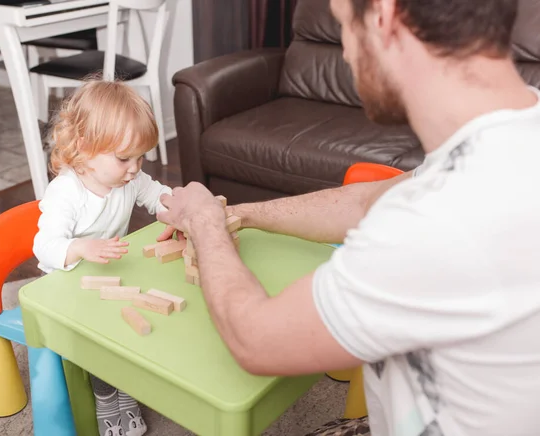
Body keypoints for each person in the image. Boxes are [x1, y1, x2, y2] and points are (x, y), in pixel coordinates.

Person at [156, 0, 540, 435]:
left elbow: (255, 339)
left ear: (384, 14)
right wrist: (236, 213)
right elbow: (365, 203)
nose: (346, 54)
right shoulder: (508, 139)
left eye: (344, 29)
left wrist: (206, 224)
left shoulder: (437, 221)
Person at [33, 79, 173, 436]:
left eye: (140, 156)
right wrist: (82, 248)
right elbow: (44, 247)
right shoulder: (67, 191)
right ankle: (107, 395)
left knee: (136, 315)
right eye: (125, 157)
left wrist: (178, 208)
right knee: (100, 332)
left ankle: (124, 384)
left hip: (106, 276)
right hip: (63, 283)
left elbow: (157, 196)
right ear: (85, 147)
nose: (134, 167)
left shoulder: (129, 178)